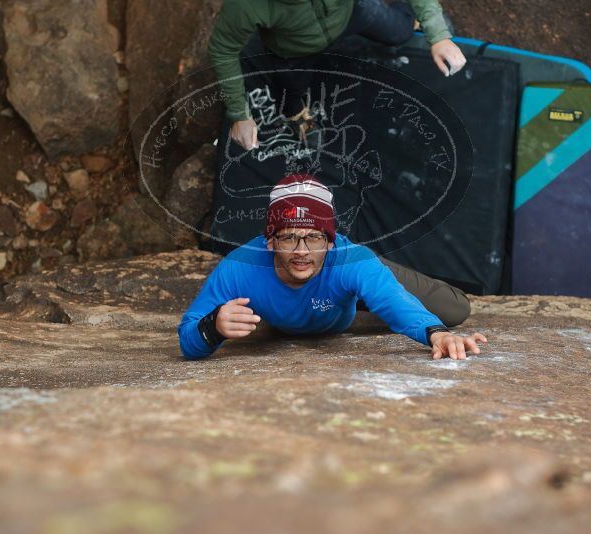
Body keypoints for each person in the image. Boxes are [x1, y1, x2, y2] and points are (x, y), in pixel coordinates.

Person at [178, 174, 486, 360]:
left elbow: (397, 305)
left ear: (330, 240)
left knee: (454, 309)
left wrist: (437, 335)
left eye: (313, 238)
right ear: (269, 241)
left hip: (344, 281)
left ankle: (365, 291)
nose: (301, 252)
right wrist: (213, 326)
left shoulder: (350, 258)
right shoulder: (240, 266)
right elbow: (188, 336)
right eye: (288, 239)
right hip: (321, 301)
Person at [208, 0, 468, 150]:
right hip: (293, 48)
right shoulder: (245, 5)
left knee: (398, 31)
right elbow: (223, 49)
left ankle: (412, 18)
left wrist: (437, 33)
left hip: (353, 13)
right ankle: (297, 115)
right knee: (289, 94)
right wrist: (240, 115)